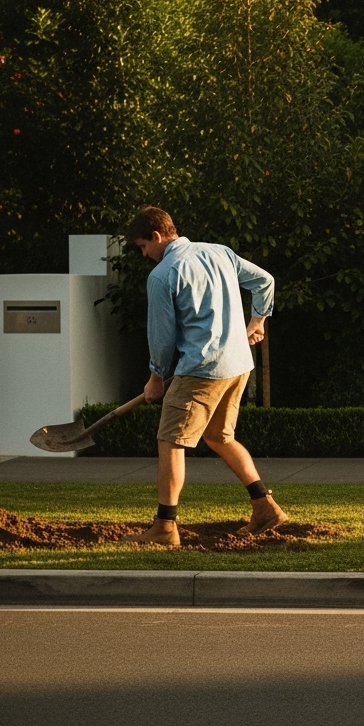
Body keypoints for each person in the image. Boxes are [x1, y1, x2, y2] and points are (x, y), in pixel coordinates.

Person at [119, 206, 287, 546]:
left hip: (202, 369)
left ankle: (165, 528)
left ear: (156, 236)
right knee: (219, 437)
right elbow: (264, 281)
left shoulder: (163, 274)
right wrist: (257, 322)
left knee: (170, 441)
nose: (144, 254)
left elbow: (162, 337)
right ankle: (265, 508)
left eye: (142, 247)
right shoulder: (219, 252)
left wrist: (156, 376)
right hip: (238, 365)